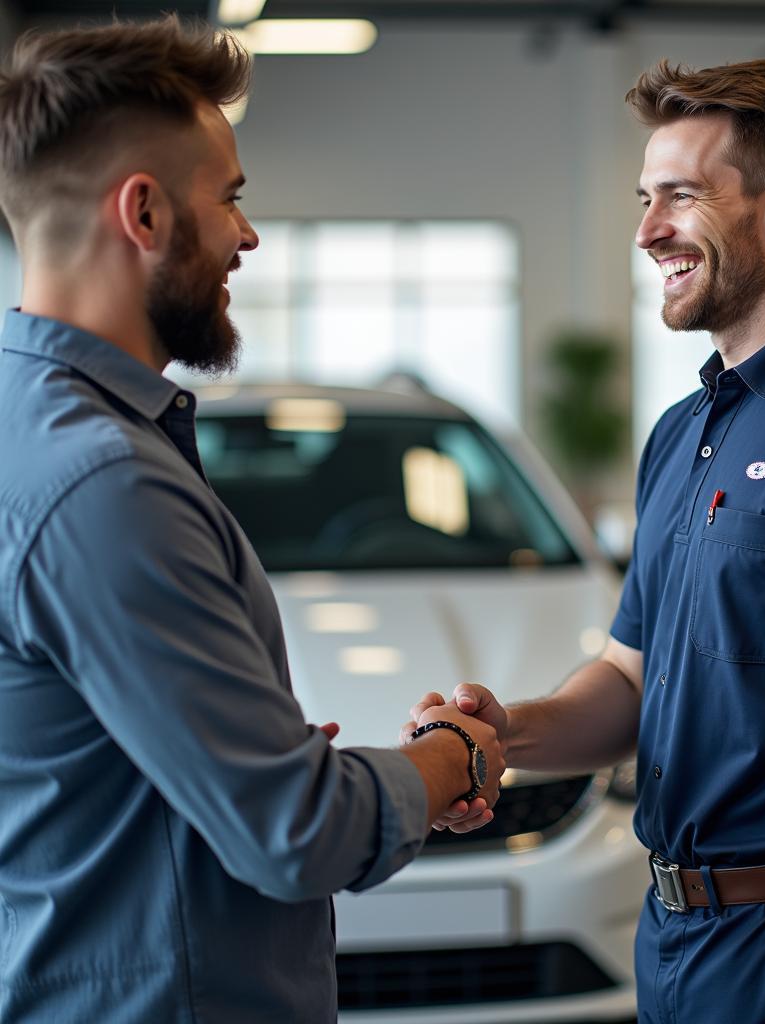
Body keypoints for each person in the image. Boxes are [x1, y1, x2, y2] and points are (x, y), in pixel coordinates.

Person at [406, 59, 765, 1023]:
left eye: (680, 196)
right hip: (682, 939)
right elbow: (633, 682)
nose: (646, 233)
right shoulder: (686, 432)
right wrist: (501, 733)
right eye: (645, 199)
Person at [0, 17, 503, 1024]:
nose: (248, 235)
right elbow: (295, 831)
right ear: (142, 213)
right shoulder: (104, 482)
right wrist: (455, 752)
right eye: (228, 199)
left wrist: (251, 746)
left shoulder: (30, 427)